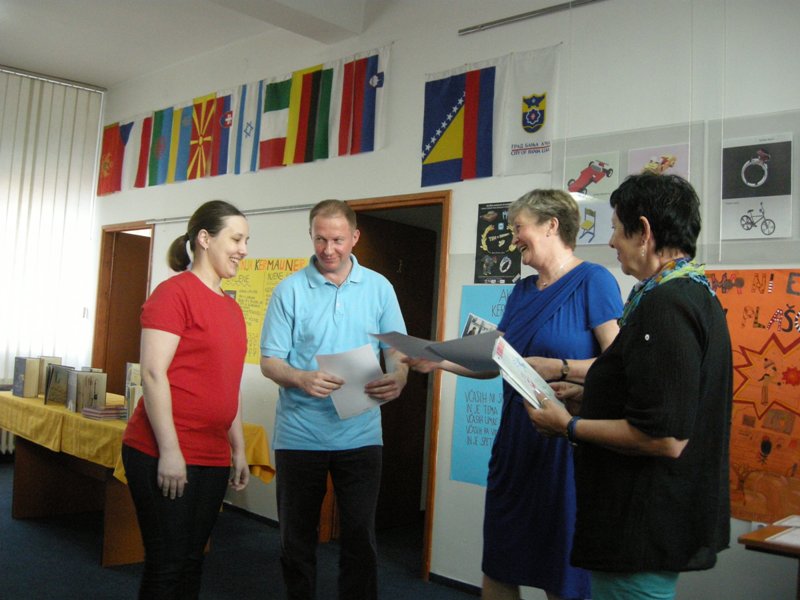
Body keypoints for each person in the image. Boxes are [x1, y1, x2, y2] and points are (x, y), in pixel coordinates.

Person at [407, 189, 622, 600]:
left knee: (563, 572)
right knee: (499, 563)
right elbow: (494, 362)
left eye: (518, 227)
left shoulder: (594, 281)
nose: (513, 237)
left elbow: (619, 366)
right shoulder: (522, 290)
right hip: (515, 444)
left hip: (565, 446)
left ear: (551, 225)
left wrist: (560, 368)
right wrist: (437, 359)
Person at [527, 173, 733, 600]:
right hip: (646, 523)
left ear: (644, 231)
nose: (611, 243)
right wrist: (590, 397)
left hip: (641, 526)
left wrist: (568, 426)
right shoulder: (690, 293)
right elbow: (663, 394)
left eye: (617, 230)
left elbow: (665, 437)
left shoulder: (667, 305)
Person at [260, 199, 408, 600]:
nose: (328, 249)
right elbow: (270, 362)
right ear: (311, 236)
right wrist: (300, 378)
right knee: (296, 539)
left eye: (338, 240)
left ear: (355, 237)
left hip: (361, 434)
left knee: (360, 538)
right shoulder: (289, 290)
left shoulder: (379, 287)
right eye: (320, 239)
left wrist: (398, 376)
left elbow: (396, 350)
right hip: (299, 434)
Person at [121, 200, 251, 599]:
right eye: (236, 239)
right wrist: (170, 451)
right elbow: (153, 373)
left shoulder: (232, 308)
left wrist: (239, 448)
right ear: (205, 239)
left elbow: (226, 386)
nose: (244, 249)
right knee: (168, 563)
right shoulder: (173, 293)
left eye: (246, 241)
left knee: (193, 559)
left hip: (212, 454)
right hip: (162, 449)